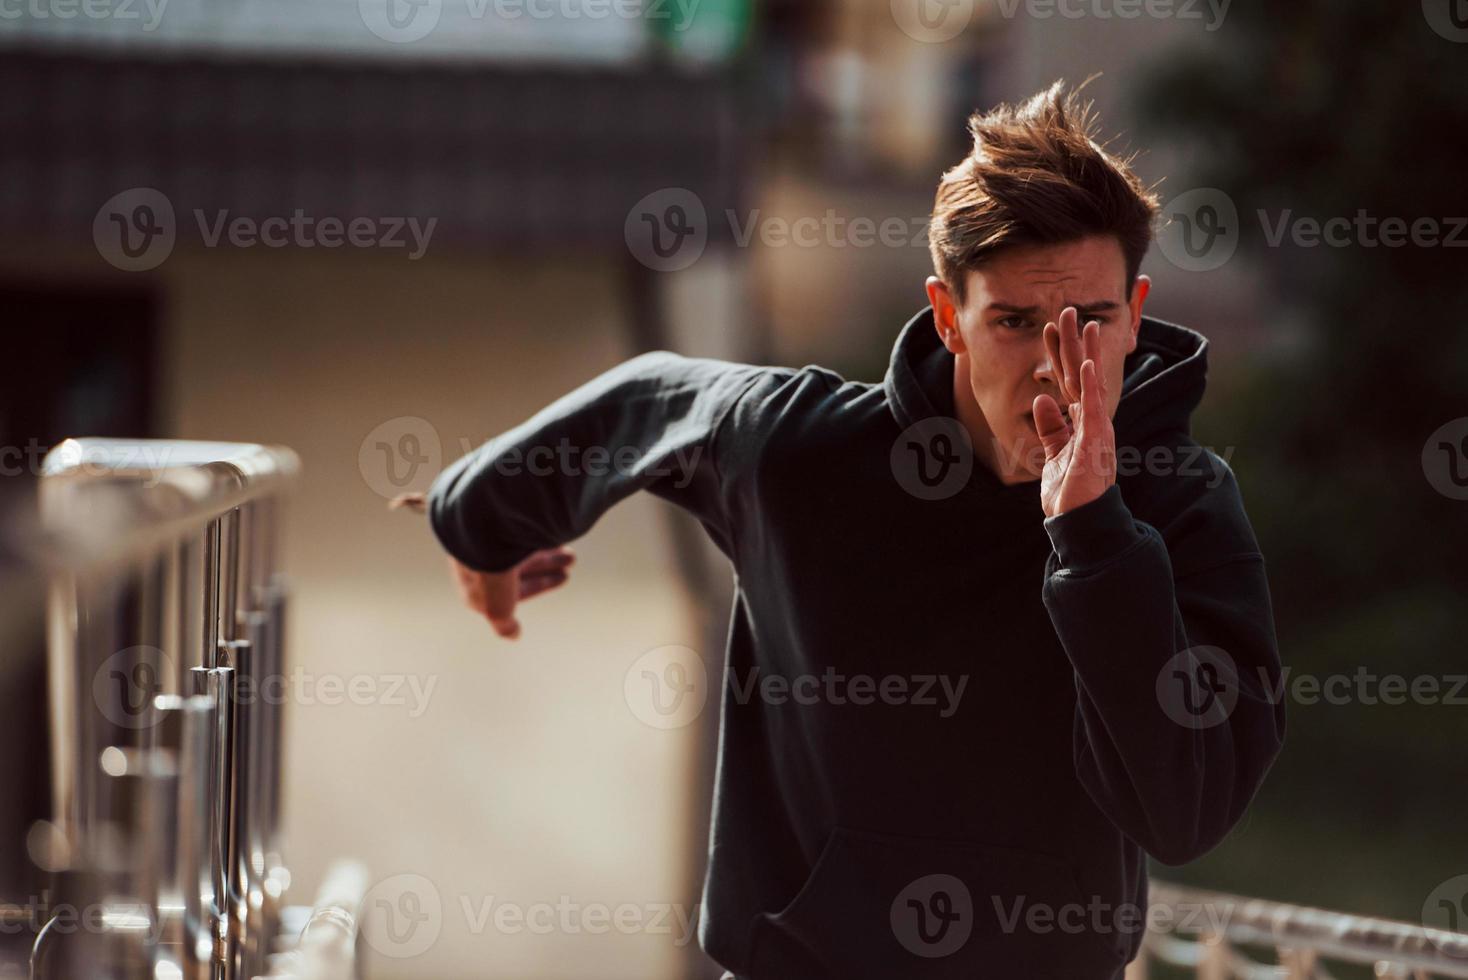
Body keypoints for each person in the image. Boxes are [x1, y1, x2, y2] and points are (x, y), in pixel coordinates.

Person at [414, 80, 1287, 979]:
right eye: (1015, 324)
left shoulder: (1182, 504)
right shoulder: (802, 450)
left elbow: (1189, 811)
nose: (1053, 367)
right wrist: (481, 524)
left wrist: (1097, 536)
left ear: (1136, 314)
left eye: (1091, 323)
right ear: (949, 316)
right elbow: (649, 400)